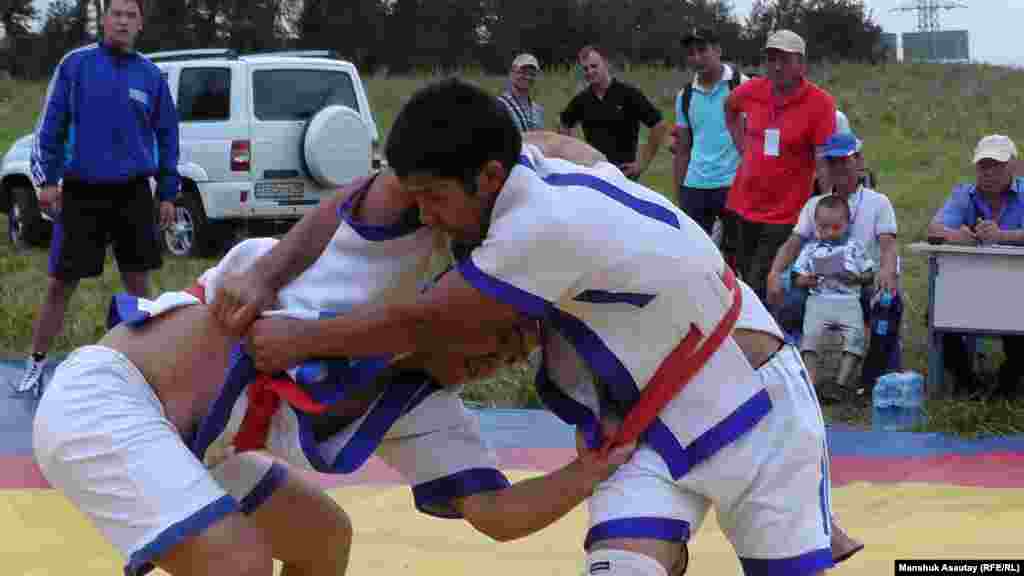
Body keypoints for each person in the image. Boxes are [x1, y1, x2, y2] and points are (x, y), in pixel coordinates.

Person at [217, 77, 857, 576]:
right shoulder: (535, 155)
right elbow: (363, 196)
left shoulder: (539, 227)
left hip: (753, 405)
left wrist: (300, 340)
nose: (428, 219)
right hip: (644, 425)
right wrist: (267, 275)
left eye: (436, 200)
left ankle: (806, 509)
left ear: (487, 177)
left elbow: (419, 322)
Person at [33, 134, 633, 576]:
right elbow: (447, 148)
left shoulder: (424, 408)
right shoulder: (371, 266)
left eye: (519, 356)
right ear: (460, 302)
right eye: (502, 336)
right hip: (109, 398)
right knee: (238, 564)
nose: (501, 360)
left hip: (202, 451)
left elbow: (496, 513)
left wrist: (588, 472)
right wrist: (608, 181)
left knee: (323, 540)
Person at [16, 0, 179, 395]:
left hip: (133, 194)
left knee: (140, 284)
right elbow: (50, 126)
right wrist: (47, 181)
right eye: (116, 14)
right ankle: (36, 366)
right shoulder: (76, 65)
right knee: (60, 283)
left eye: (131, 15)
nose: (122, 21)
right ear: (104, 19)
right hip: (82, 191)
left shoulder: (151, 75)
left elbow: (168, 137)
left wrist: (168, 193)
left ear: (140, 23)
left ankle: (150, 374)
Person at [767, 131, 900, 393]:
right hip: (819, 284)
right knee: (785, 302)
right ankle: (791, 373)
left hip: (863, 280)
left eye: (845, 160)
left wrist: (886, 270)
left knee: (888, 305)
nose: (839, 167)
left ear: (859, 162)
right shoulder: (816, 204)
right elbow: (793, 243)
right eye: (832, 162)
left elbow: (888, 244)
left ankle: (870, 380)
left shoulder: (877, 202)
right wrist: (775, 272)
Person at [724, 29, 836, 300]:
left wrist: (825, 203)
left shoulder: (820, 103)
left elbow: (824, 158)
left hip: (785, 212)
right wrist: (743, 148)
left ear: (802, 64)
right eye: (771, 58)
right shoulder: (752, 90)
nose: (776, 66)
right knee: (743, 275)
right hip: (743, 205)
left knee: (760, 280)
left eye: (784, 59)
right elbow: (730, 108)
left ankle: (765, 338)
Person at [926, 134, 1024, 398]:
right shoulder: (963, 194)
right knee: (937, 313)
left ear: (1013, 167)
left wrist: (1003, 236)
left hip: (1017, 289)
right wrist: (956, 236)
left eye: (997, 165)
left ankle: (1007, 382)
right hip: (971, 287)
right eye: (983, 166)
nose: (989, 172)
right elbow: (934, 229)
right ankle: (967, 381)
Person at [791, 195, 875, 401]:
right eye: (823, 228)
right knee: (810, 335)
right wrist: (808, 280)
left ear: (847, 224)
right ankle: (811, 382)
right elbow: (796, 277)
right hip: (819, 299)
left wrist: (854, 277)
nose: (829, 233)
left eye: (836, 227)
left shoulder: (854, 247)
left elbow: (869, 273)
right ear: (816, 226)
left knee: (856, 336)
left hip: (848, 301)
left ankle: (840, 384)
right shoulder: (811, 248)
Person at [673, 28, 748, 237]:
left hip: (735, 186)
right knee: (695, 259)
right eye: (690, 53)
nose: (696, 58)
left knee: (737, 259)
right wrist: (680, 194)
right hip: (694, 188)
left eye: (702, 50)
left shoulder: (743, 85)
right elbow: (683, 149)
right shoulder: (684, 96)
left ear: (718, 50)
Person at [559, 45, 670, 180]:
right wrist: (573, 159)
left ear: (605, 63)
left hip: (624, 175)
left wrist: (641, 164)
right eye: (585, 69)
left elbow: (658, 125)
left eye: (594, 66)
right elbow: (564, 124)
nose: (589, 72)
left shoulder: (628, 94)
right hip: (595, 174)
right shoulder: (582, 100)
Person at [497, 53, 544, 133]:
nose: (528, 77)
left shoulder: (538, 110)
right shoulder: (499, 105)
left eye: (532, 74)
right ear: (511, 73)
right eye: (523, 72)